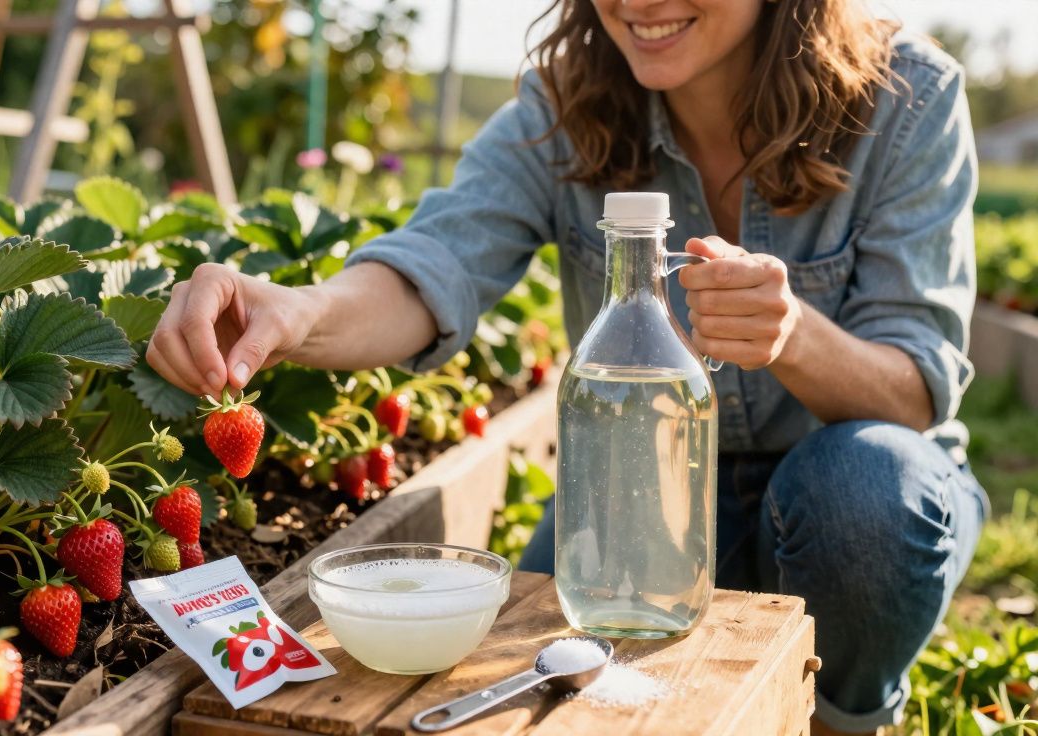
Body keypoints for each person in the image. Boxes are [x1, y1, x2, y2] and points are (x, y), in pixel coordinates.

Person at [146, 1, 986, 732]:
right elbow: (440, 259)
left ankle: (834, 725)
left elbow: (913, 392)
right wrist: (300, 312)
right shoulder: (568, 100)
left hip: (851, 499)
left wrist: (794, 332)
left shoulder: (906, 100)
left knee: (866, 491)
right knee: (560, 662)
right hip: (639, 498)